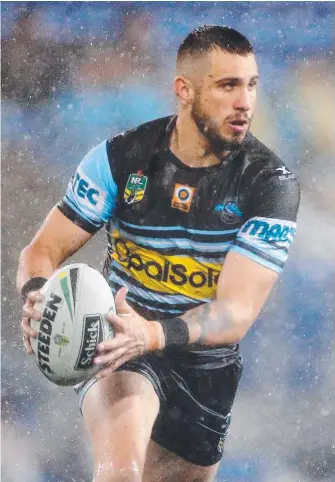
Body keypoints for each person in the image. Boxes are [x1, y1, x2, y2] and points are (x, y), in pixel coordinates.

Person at [17, 26, 300, 482]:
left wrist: (152, 333)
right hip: (118, 342)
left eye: (251, 84)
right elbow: (43, 249)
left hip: (206, 364)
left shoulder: (269, 185)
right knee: (122, 473)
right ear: (184, 91)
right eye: (227, 85)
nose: (245, 101)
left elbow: (236, 312)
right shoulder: (120, 158)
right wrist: (35, 293)